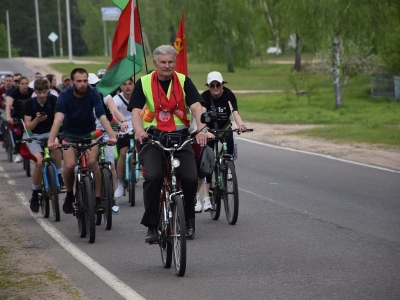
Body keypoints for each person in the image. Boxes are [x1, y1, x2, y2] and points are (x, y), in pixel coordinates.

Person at [128, 45, 208, 243]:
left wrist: (202, 129)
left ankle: (188, 219)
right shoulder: (144, 82)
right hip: (152, 138)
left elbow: (197, 106)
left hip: (180, 137)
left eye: (170, 62)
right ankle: (152, 226)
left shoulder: (183, 81)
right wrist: (138, 130)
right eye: (163, 62)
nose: (167, 66)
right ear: (155, 63)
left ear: (175, 62)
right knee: (154, 176)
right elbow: (136, 111)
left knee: (190, 178)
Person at [47, 68, 117, 215]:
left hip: (89, 133)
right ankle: (70, 195)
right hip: (69, 134)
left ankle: (97, 199)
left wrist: (112, 135)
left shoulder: (93, 93)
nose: (83, 84)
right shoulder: (65, 95)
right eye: (79, 81)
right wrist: (51, 140)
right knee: (70, 165)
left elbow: (101, 115)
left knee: (92, 163)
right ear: (72, 82)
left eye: (85, 81)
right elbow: (58, 119)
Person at [198, 71, 247, 211]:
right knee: (207, 160)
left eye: (218, 84)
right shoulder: (205, 97)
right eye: (212, 85)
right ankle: (206, 198)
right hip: (209, 129)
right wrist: (205, 132)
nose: (215, 87)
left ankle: (228, 165)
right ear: (208, 86)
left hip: (224, 127)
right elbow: (202, 115)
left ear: (222, 84)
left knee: (231, 140)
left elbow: (234, 113)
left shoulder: (229, 95)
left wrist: (241, 125)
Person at [23, 78, 65, 212]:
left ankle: (58, 175)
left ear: (49, 91)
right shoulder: (29, 103)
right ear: (35, 91)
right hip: (33, 135)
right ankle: (35, 194)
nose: (42, 95)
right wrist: (37, 119)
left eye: (44, 92)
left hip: (49, 133)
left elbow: (58, 120)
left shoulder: (53, 100)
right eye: (39, 92)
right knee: (39, 163)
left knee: (56, 147)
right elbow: (28, 127)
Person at [89, 72, 127, 215]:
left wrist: (122, 121)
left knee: (110, 166)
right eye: (91, 85)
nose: (94, 88)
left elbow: (114, 110)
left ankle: (111, 199)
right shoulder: (81, 99)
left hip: (105, 133)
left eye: (96, 85)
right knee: (90, 163)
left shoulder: (105, 95)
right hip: (89, 135)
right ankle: (86, 188)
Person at [112, 78, 135, 199]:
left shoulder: (138, 96)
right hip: (123, 129)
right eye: (124, 84)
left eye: (130, 84)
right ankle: (121, 183)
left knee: (145, 151)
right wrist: (118, 124)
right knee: (122, 153)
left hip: (137, 128)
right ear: (120, 87)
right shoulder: (117, 99)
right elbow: (113, 113)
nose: (127, 87)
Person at [5, 76, 34, 163]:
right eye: (23, 84)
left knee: (31, 133)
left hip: (29, 116)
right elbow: (8, 106)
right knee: (18, 133)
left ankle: (32, 151)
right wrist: (8, 117)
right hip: (17, 116)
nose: (25, 86)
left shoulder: (31, 92)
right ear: (18, 84)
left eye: (26, 84)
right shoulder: (14, 93)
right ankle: (18, 152)